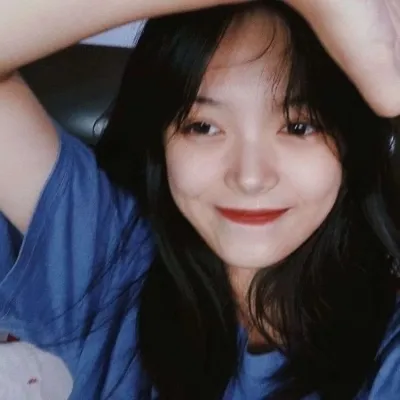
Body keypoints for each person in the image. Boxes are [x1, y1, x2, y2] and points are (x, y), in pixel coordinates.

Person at [0, 0, 399, 399]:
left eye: (299, 126)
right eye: (203, 127)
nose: (250, 178)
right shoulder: (111, 262)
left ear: (351, 143)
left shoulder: (388, 352)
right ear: (161, 141)